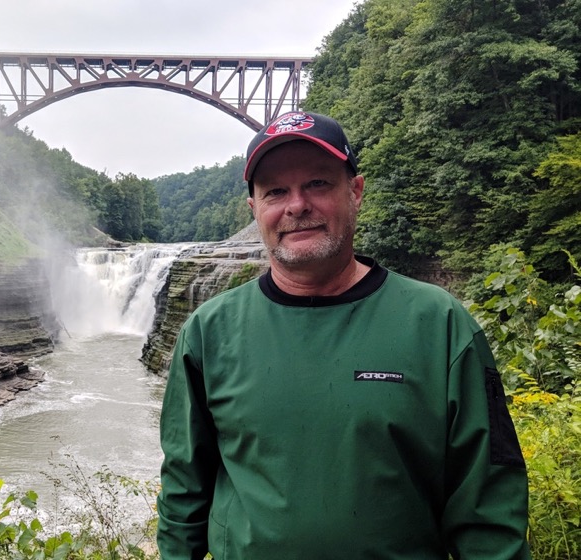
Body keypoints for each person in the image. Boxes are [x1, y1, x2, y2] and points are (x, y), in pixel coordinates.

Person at [156, 111, 531, 559]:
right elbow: (183, 491)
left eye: (318, 183)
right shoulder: (208, 332)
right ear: (255, 209)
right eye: (276, 191)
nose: (297, 205)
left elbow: (488, 507)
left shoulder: (439, 324)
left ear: (355, 191)